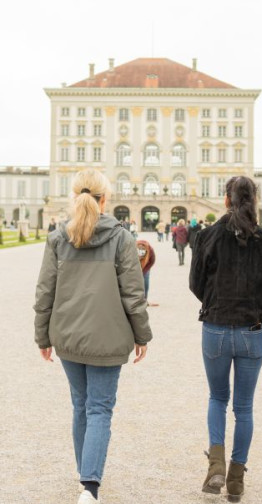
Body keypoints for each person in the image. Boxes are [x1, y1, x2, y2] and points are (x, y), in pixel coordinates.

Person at [33, 168, 152, 504]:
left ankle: (84, 478)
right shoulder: (121, 238)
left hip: (68, 336)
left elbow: (45, 292)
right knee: (99, 409)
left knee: (80, 407)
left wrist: (43, 338)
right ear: (105, 200)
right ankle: (90, 486)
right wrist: (142, 335)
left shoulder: (58, 238)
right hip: (108, 338)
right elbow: (133, 293)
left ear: (74, 197)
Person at [189, 176, 262, 502]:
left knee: (218, 398)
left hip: (215, 327)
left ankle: (215, 461)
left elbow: (195, 284)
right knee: (244, 408)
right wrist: (256, 309)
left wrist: (215, 304)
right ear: (253, 200)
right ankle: (236, 478)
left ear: (225, 200)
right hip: (252, 330)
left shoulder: (207, 236)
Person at [137, 239, 158, 306]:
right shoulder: (131, 249)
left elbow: (152, 261)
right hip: (134, 267)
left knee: (145, 283)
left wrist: (144, 271)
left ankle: (144, 300)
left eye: (142, 256)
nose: (140, 257)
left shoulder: (150, 250)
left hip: (146, 266)